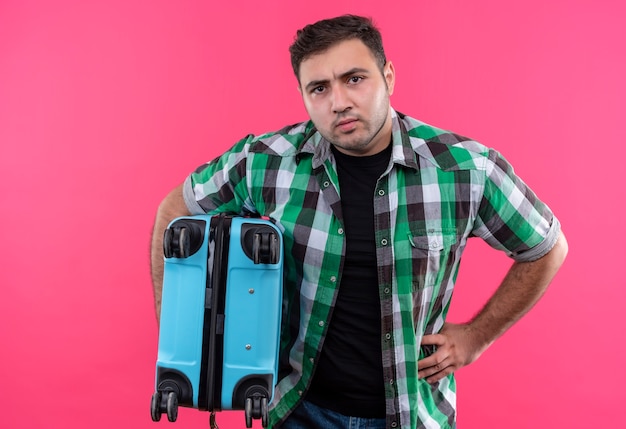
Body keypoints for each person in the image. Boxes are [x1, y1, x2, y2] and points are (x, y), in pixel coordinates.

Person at [151, 14, 568, 429]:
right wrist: (177, 338)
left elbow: (547, 247)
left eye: (354, 79)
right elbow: (174, 211)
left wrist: (477, 337)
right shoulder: (265, 162)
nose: (339, 102)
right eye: (319, 88)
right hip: (297, 409)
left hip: (410, 416)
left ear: (388, 76)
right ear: (303, 95)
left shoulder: (464, 168)